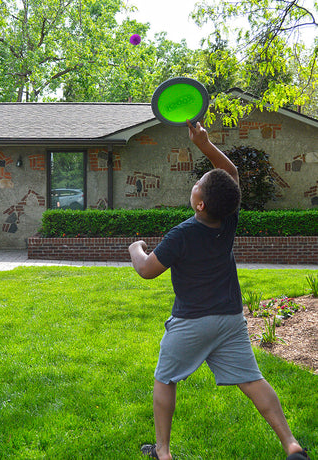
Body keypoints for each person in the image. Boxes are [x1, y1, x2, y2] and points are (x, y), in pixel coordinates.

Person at [129, 120, 309, 460]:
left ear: (199, 204)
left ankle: (163, 452)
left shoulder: (180, 234)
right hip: (229, 319)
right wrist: (205, 145)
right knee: (252, 380)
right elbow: (230, 175)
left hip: (191, 322)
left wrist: (135, 248)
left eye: (198, 183)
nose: (196, 183)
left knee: (165, 379)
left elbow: (147, 270)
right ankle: (291, 444)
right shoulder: (228, 219)